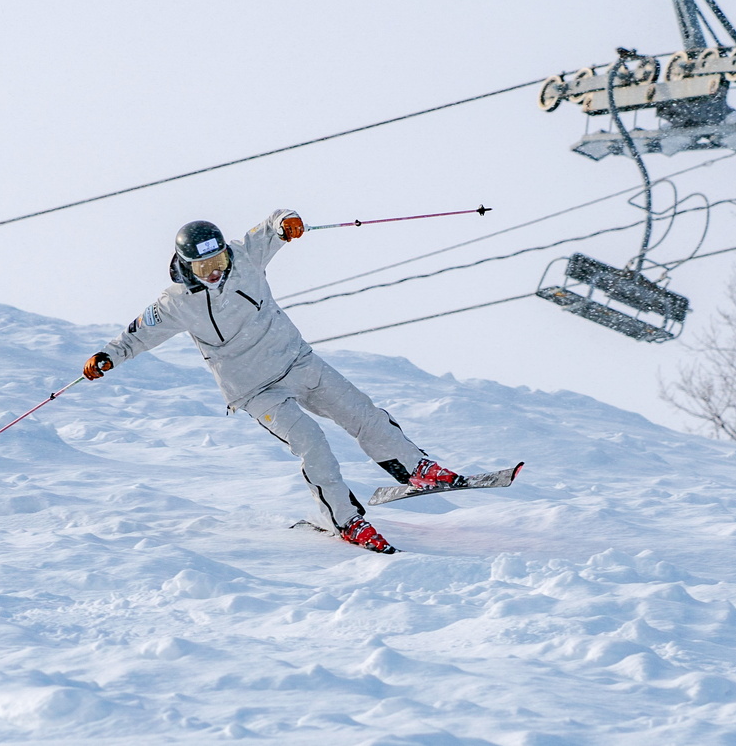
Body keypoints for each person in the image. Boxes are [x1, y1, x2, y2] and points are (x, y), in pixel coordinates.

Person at [82, 210, 467, 554]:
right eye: (203, 268)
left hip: (297, 362)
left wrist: (287, 223)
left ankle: (417, 469)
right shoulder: (175, 304)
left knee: (362, 413)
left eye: (218, 261)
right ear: (186, 268)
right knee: (313, 445)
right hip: (256, 391)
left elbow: (272, 226)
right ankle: (345, 520)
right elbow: (136, 336)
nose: (214, 271)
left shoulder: (244, 256)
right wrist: (107, 357)